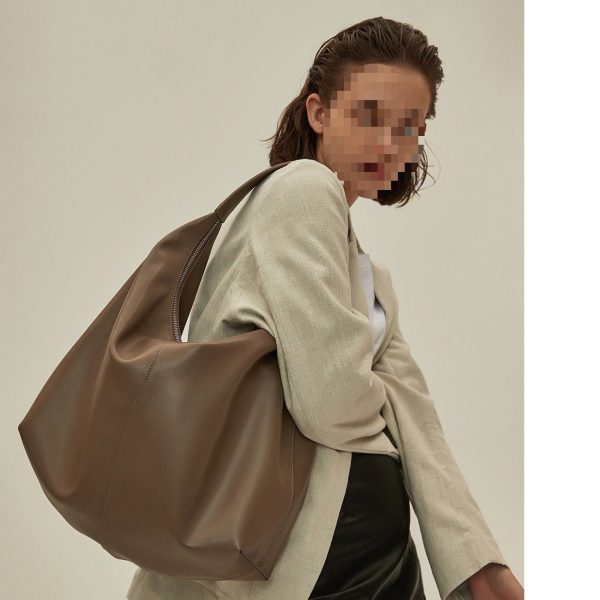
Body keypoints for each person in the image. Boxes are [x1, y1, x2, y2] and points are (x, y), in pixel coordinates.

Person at [127, 16, 523, 600]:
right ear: (319, 112)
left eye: (409, 127)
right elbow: (330, 402)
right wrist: (377, 398)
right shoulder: (301, 189)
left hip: (335, 546)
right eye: (369, 115)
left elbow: (418, 419)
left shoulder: (369, 275)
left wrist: (476, 562)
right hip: (312, 546)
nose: (389, 144)